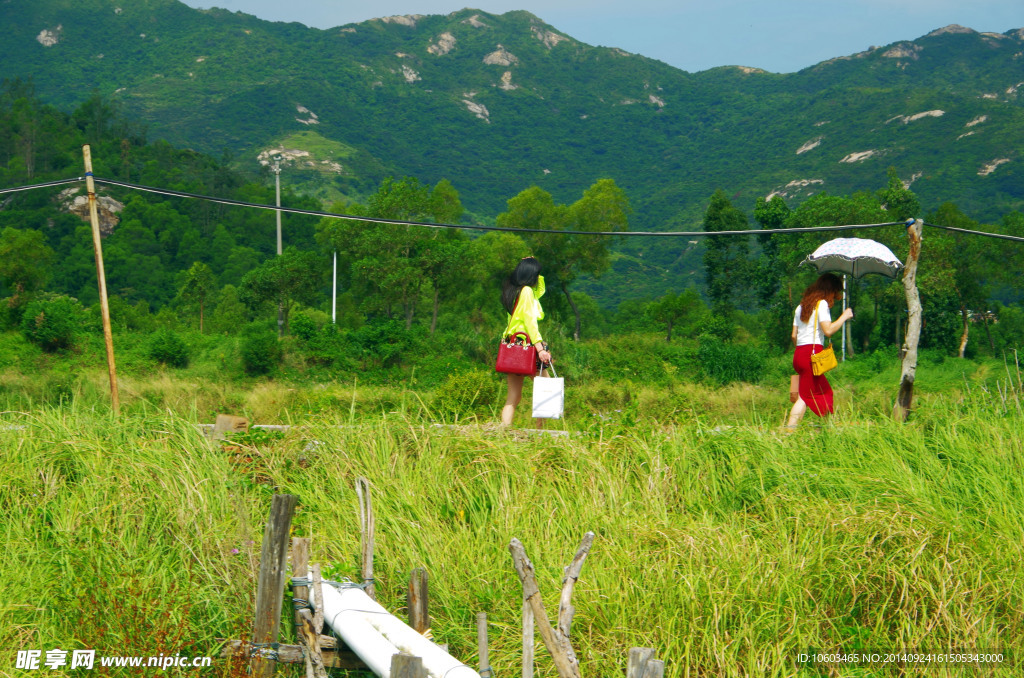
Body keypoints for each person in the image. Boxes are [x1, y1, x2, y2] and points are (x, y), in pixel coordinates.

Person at [786, 272, 853, 429]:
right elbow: (828, 330)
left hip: (799, 355)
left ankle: (829, 428)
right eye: (835, 292)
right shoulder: (821, 304)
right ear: (829, 290)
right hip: (812, 355)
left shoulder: (800, 307)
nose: (836, 297)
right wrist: (844, 316)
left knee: (824, 392)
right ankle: (788, 433)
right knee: (804, 397)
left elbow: (794, 335)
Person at [500, 257, 552, 427]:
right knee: (545, 390)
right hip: (528, 347)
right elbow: (530, 321)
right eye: (537, 275)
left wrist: (532, 263)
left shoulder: (514, 292)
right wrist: (540, 349)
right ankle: (540, 433)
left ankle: (503, 431)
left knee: (513, 397)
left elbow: (540, 292)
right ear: (532, 275)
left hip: (514, 347)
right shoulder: (527, 292)